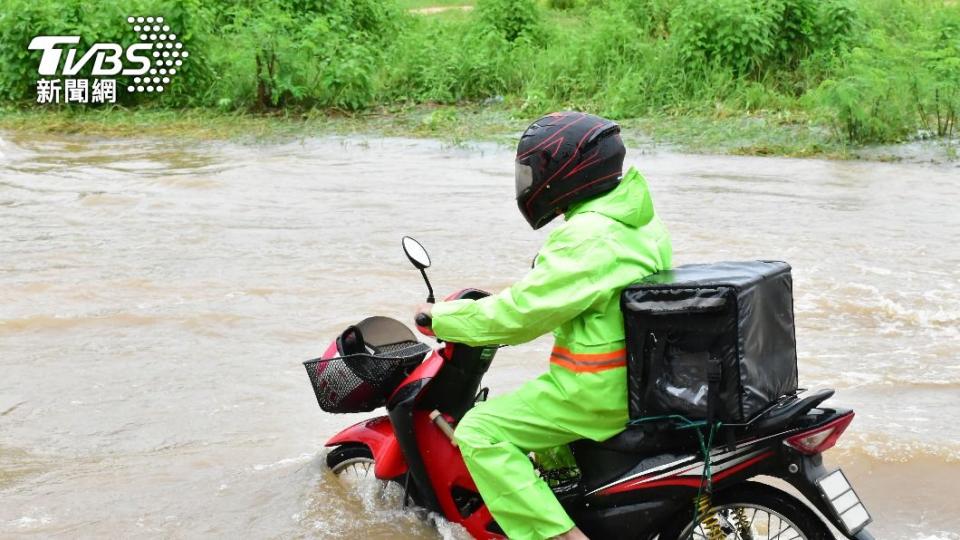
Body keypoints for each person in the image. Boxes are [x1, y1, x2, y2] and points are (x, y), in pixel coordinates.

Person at [415, 111, 672, 540]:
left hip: (595, 394)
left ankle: (560, 535)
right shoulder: (638, 222)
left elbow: (521, 315)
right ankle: (577, 504)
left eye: (536, 172)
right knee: (540, 423)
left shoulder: (588, 235)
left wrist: (441, 318)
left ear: (567, 173)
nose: (530, 183)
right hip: (640, 383)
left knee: (481, 429)